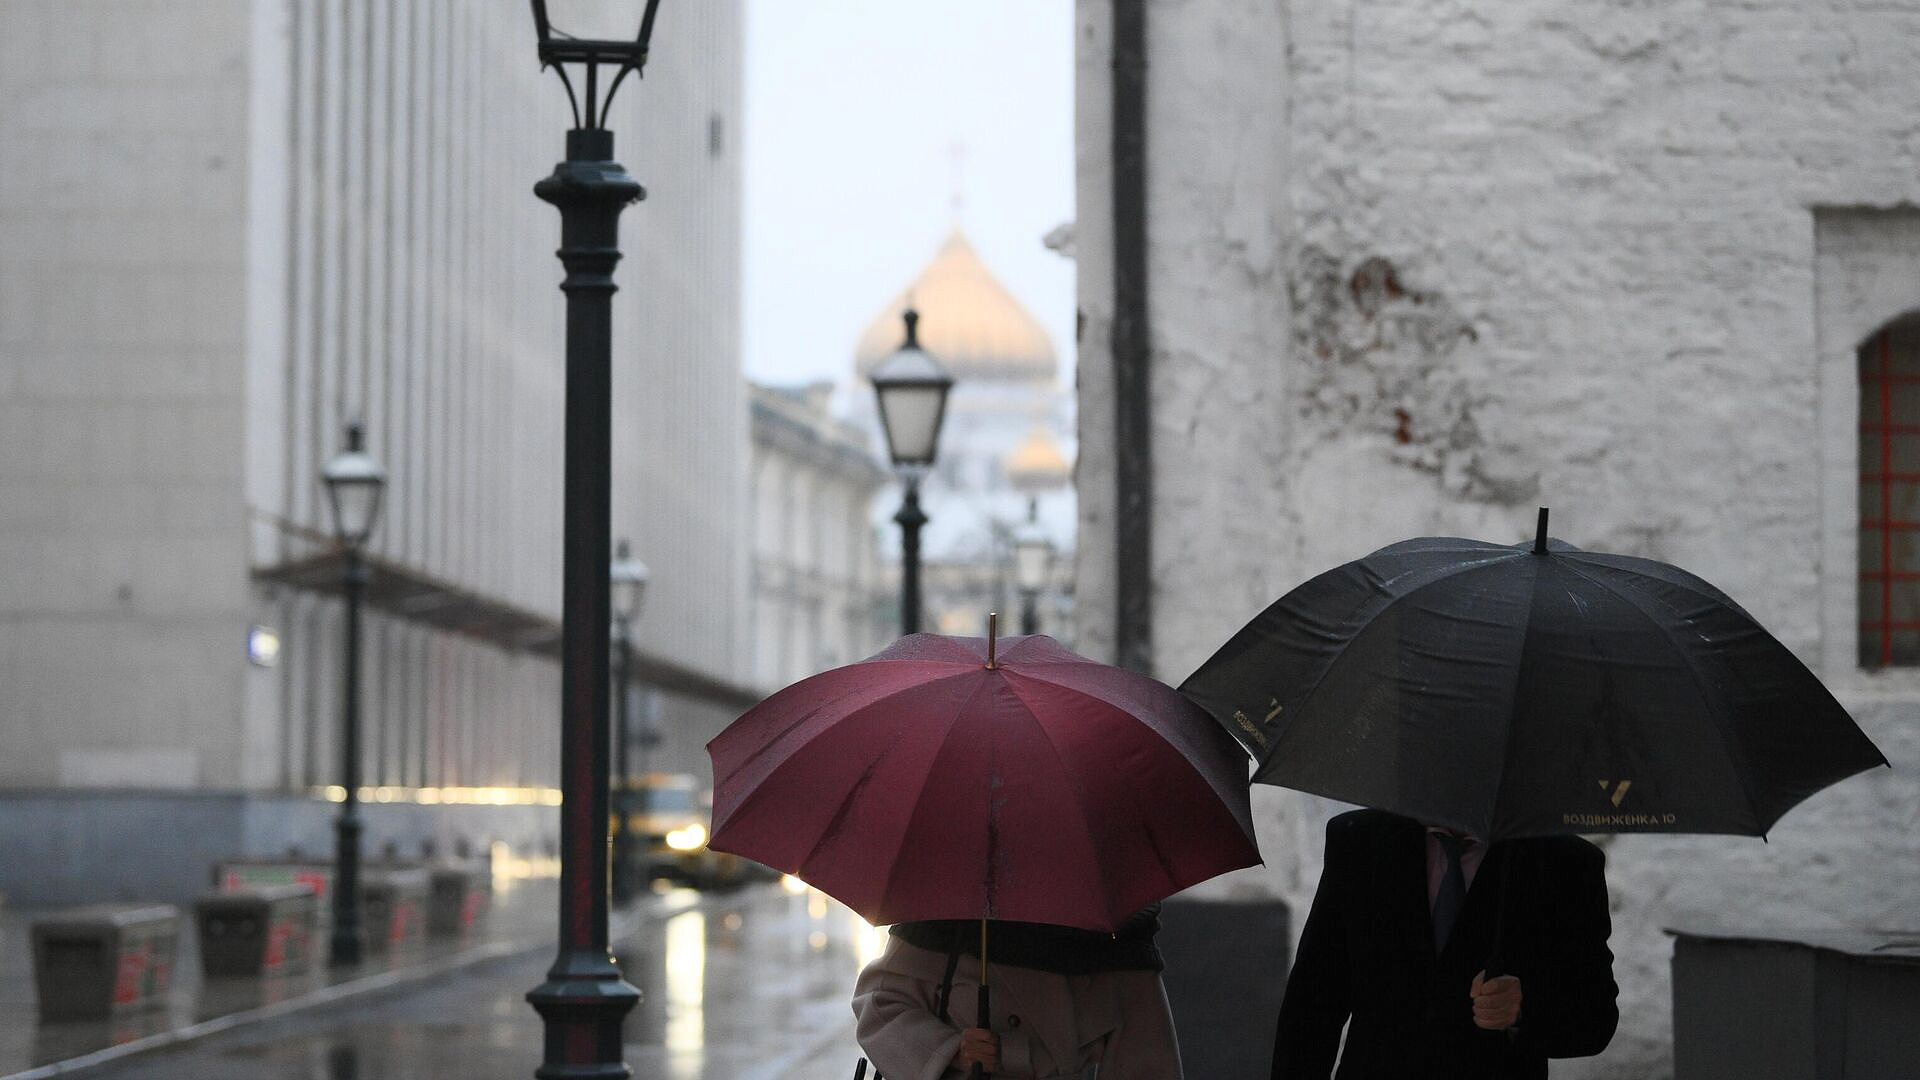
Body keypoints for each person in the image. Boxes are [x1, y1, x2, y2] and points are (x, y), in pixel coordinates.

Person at [1271, 809, 1617, 1079]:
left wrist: (1523, 1009)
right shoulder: (1360, 841)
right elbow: (1313, 1005)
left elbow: (1595, 1019)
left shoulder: (1564, 863)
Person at [853, 905, 1182, 1079]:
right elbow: (880, 1004)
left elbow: (1146, 1060)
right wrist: (951, 1050)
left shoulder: (1118, 929)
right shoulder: (942, 909)